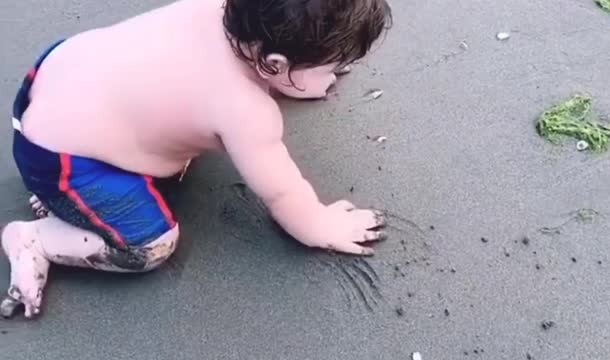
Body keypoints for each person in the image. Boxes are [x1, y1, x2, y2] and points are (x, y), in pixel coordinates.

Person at [1, 0, 392, 319]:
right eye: (331, 64)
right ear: (274, 65)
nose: (340, 71)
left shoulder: (217, 10)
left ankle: (67, 200)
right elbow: (282, 192)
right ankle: (37, 238)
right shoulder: (246, 111)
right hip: (62, 161)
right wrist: (319, 224)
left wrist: (304, 74)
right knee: (150, 245)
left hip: (51, 78)